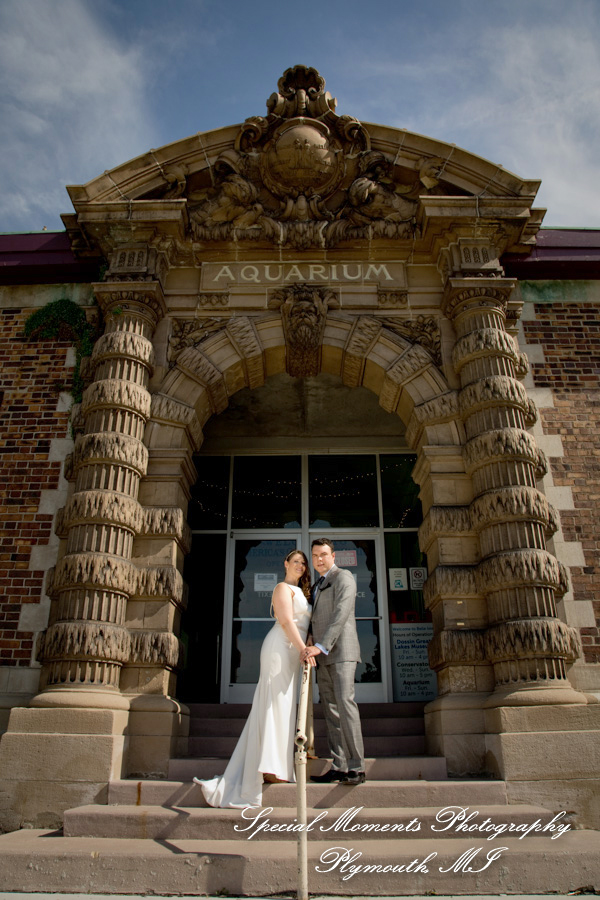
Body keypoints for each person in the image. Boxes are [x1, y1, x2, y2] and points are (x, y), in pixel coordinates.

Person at [194, 549, 314, 808]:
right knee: (274, 705)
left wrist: (307, 644)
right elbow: (285, 621)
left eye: (303, 563)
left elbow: (305, 624)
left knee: (284, 708)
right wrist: (302, 648)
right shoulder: (282, 588)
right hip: (280, 648)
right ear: (285, 563)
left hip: (294, 652)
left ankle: (275, 765)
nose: (300, 565)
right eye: (296, 561)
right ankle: (268, 767)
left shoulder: (303, 593)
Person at [301, 538, 366, 785]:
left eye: (324, 554)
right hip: (322, 655)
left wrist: (320, 645)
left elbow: (342, 613)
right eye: (315, 555)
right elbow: (317, 618)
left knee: (345, 706)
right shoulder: (317, 583)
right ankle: (339, 766)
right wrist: (310, 639)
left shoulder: (343, 577)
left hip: (341, 652)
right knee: (330, 710)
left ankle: (357, 768)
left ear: (333, 556)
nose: (319, 559)